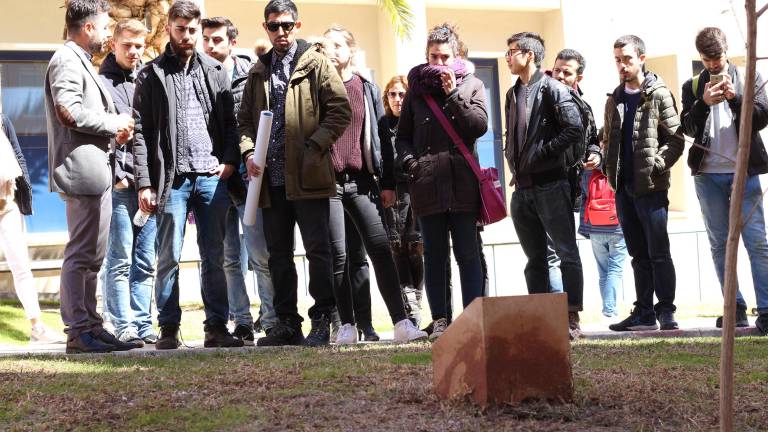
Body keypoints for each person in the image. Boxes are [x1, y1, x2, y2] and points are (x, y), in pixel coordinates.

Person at [238, 0, 351, 347]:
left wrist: (314, 146)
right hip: (270, 180)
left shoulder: (315, 63)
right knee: (278, 254)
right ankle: (287, 322)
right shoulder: (258, 71)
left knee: (318, 251)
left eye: (287, 25)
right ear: (266, 28)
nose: (281, 32)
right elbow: (244, 122)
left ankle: (322, 319)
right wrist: (247, 153)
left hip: (308, 176)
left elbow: (340, 109)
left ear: (297, 26)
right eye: (274, 26)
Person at [132, 0, 243, 349]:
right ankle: (168, 329)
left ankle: (216, 329)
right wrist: (146, 182)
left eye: (192, 30)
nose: (187, 36)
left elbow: (230, 124)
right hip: (172, 180)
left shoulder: (215, 69)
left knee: (215, 255)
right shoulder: (151, 74)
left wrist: (228, 161)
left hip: (211, 177)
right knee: (168, 256)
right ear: (169, 29)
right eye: (180, 30)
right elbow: (141, 132)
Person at [45, 0, 140, 354]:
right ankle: (78, 331)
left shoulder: (80, 61)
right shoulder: (66, 60)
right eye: (103, 27)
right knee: (81, 254)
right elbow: (68, 110)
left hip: (95, 170)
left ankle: (92, 325)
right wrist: (112, 124)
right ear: (87, 28)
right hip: (81, 171)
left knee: (93, 257)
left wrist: (114, 131)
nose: (106, 34)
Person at [323, 25, 426, 344]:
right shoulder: (318, 87)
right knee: (338, 255)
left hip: (362, 181)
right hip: (327, 185)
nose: (332, 51)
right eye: (327, 46)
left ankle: (401, 322)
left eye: (338, 45)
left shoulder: (365, 88)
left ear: (351, 49)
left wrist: (388, 182)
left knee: (381, 249)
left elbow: (382, 137)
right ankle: (346, 327)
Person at [396, 23, 488, 341]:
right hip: (427, 186)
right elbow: (403, 137)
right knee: (434, 256)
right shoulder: (416, 93)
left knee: (467, 253)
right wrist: (412, 165)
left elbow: (478, 126)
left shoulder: (473, 85)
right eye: (434, 57)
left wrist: (451, 95)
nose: (439, 63)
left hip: (463, 186)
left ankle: (474, 317)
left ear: (456, 56)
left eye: (445, 57)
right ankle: (440, 320)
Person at [681, 27, 768, 334]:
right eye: (707, 60)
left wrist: (735, 99)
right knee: (720, 244)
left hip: (744, 172)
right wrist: (703, 103)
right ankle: (735, 308)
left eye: (717, 59)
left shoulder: (750, 77)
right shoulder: (692, 85)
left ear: (726, 51)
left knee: (757, 242)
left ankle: (767, 309)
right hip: (707, 175)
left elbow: (761, 118)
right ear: (700, 57)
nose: (714, 66)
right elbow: (688, 128)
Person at [503, 32, 585, 340]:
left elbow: (574, 129)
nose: (507, 57)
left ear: (528, 54)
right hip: (522, 189)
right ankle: (538, 320)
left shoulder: (552, 89)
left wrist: (544, 152)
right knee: (534, 258)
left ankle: (572, 318)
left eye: (511, 51)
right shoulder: (512, 94)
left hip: (551, 185)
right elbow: (512, 136)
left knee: (566, 252)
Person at [202, 16, 278, 345]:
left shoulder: (252, 74)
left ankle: (272, 319)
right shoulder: (198, 75)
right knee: (228, 257)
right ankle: (242, 322)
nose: (209, 45)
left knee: (260, 253)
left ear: (233, 42)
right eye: (206, 39)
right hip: (217, 177)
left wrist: (247, 159)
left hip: (250, 176)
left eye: (217, 39)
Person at [604, 35, 685, 332]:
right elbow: (608, 138)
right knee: (638, 254)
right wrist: (602, 160)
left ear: (641, 58)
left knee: (658, 252)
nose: (622, 65)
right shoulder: (614, 97)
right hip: (623, 187)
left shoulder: (658, 94)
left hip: (651, 188)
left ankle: (666, 310)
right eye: (617, 60)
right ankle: (644, 311)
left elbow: (676, 140)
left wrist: (657, 165)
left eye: (626, 59)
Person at [550, 49, 627, 319]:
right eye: (556, 69)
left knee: (567, 254)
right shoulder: (538, 96)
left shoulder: (582, 105)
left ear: (578, 77)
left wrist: (594, 153)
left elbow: (592, 140)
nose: (559, 75)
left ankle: (571, 316)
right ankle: (559, 315)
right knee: (550, 257)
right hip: (544, 187)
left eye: (566, 72)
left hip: (571, 192)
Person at [99, 19, 157, 347]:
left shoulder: (148, 78)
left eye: (139, 46)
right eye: (128, 46)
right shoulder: (100, 83)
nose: (134, 52)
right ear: (113, 45)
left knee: (146, 260)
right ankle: (123, 325)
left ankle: (143, 322)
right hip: (119, 185)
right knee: (120, 259)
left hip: (148, 185)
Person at [1, 109, 65, 345]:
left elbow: (18, 155)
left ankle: (37, 327)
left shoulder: (2, 117)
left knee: (21, 267)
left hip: (7, 203)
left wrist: (24, 199)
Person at [380, 75, 425, 328]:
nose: (397, 99)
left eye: (402, 94)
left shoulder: (416, 122)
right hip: (392, 190)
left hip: (415, 189)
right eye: (393, 94)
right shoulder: (383, 124)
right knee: (396, 248)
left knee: (415, 247)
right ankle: (409, 304)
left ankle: (417, 301)